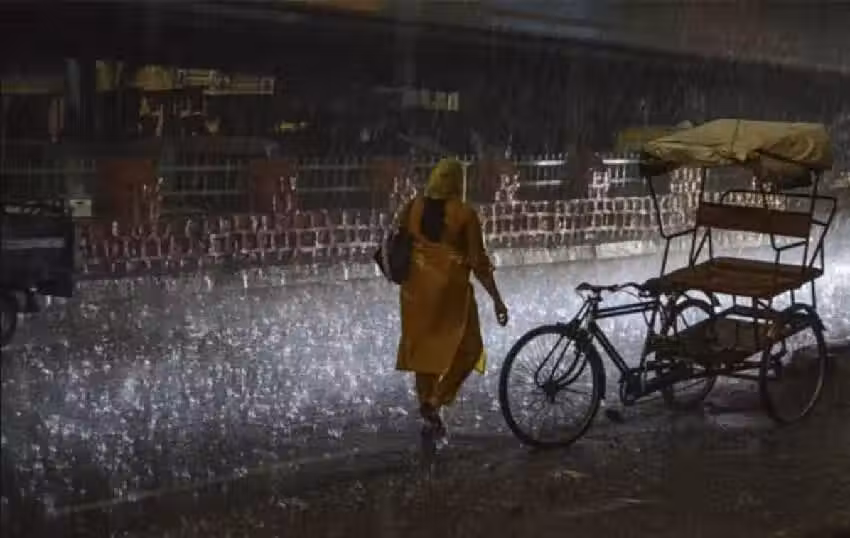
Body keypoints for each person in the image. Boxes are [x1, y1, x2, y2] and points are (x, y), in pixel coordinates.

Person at [395, 158, 509, 443]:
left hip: (415, 294)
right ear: (460, 182)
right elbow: (478, 262)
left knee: (425, 356)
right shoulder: (465, 214)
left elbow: (399, 240)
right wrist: (497, 299)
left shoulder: (413, 207)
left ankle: (428, 410)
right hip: (451, 294)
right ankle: (437, 401)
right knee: (470, 348)